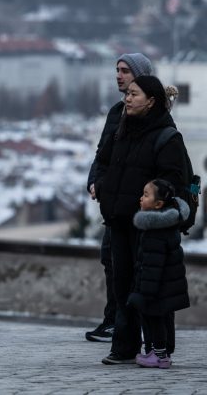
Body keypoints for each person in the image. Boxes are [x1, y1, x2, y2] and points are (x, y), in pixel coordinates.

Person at [92, 75, 187, 366]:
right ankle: (124, 346)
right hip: (119, 221)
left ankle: (160, 349)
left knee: (150, 289)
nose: (127, 98)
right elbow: (103, 162)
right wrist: (104, 190)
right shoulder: (122, 128)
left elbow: (174, 182)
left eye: (134, 94)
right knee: (122, 288)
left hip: (149, 228)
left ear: (151, 101)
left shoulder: (167, 137)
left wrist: (155, 213)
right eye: (127, 94)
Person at [86, 53, 153, 343]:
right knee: (110, 259)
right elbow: (103, 154)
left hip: (137, 205)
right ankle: (113, 319)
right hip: (113, 201)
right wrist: (95, 182)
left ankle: (129, 323)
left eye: (125, 71)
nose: (119, 75)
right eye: (117, 70)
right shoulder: (116, 112)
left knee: (132, 264)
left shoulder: (153, 113)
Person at [128, 179, 190, 369]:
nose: (141, 198)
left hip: (156, 288)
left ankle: (160, 356)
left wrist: (145, 291)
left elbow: (152, 265)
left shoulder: (155, 231)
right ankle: (160, 354)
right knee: (160, 320)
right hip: (164, 286)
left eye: (146, 195)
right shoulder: (167, 226)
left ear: (158, 204)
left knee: (155, 320)